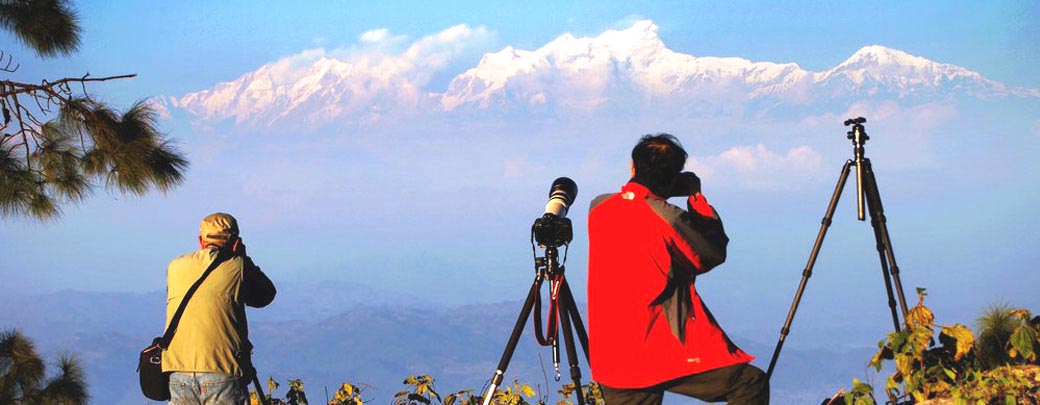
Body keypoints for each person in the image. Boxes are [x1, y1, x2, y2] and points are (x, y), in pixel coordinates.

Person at [587, 134, 769, 404]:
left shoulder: (598, 208)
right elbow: (710, 253)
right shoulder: (668, 218)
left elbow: (637, 203)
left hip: (611, 356)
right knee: (749, 383)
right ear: (674, 176)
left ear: (632, 168)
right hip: (656, 350)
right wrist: (695, 197)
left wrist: (663, 187)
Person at [163, 212, 276, 405]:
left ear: (201, 240)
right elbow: (265, 295)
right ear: (235, 241)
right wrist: (244, 257)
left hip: (178, 369)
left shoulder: (175, 266)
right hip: (222, 368)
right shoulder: (238, 266)